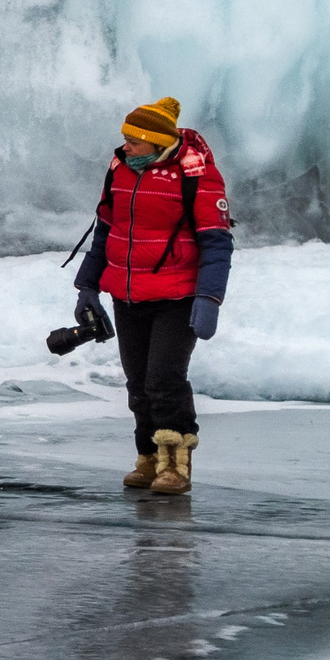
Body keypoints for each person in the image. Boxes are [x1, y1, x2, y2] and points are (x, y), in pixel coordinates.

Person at [69, 97, 234, 494]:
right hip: (128, 295)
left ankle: (175, 465)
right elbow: (105, 230)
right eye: (125, 139)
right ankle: (147, 460)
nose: (125, 147)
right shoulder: (120, 170)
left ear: (158, 142)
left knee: (164, 381)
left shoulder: (197, 175)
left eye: (134, 141)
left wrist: (209, 299)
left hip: (177, 297)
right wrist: (87, 286)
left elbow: (217, 243)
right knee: (138, 384)